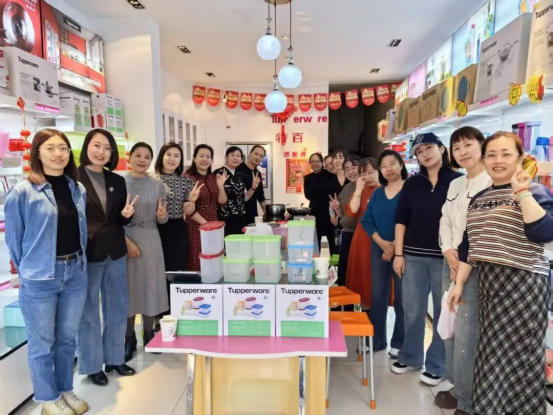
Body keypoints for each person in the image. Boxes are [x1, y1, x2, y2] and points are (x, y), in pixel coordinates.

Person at [449, 132, 553, 415]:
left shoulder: (536, 191)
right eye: (491, 154)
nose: (498, 160)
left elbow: (544, 232)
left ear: (521, 157)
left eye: (506, 154)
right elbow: (469, 245)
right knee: (491, 355)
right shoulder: (480, 198)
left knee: (521, 358)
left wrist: (522, 192)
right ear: (484, 160)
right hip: (490, 285)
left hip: (524, 284)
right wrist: (459, 284)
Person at [5, 129, 89, 415]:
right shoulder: (22, 191)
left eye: (63, 148)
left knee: (67, 338)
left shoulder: (77, 188)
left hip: (75, 272)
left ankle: (65, 389)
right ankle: (48, 398)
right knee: (42, 343)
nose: (58, 154)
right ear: (37, 153)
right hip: (40, 276)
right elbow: (14, 241)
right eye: (50, 148)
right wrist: (30, 271)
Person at [392, 132, 462, 385]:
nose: (424, 154)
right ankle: (410, 356)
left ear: (442, 149)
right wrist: (398, 254)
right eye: (419, 152)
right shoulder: (412, 183)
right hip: (412, 256)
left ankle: (437, 365)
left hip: (445, 258)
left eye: (429, 148)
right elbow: (401, 219)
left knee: (443, 311)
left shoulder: (458, 181)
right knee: (412, 309)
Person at [435, 127, 490, 414]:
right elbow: (445, 220)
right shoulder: (456, 184)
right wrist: (447, 250)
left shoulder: (493, 182)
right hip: (451, 261)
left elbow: (481, 231)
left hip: (475, 267)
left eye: (468, 145)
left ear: (482, 146)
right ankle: (457, 386)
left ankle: (467, 401)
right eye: (457, 148)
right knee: (449, 325)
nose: (463, 152)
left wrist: (461, 260)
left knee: (468, 331)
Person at [77, 129, 137, 387]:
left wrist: (126, 215)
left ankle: (114, 358)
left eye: (107, 148)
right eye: (96, 145)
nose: (101, 152)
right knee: (88, 311)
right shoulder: (74, 178)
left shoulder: (117, 180)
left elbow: (120, 217)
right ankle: (92, 365)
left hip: (115, 250)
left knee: (117, 307)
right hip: (88, 253)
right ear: (87, 147)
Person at [124, 142, 169, 361]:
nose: (142, 160)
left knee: (151, 285)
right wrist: (126, 242)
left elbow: (163, 219)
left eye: (147, 157)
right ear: (130, 157)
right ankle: (128, 337)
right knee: (129, 288)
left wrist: (162, 216)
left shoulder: (158, 185)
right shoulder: (119, 183)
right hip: (126, 237)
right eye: (138, 155)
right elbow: (113, 219)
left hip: (151, 238)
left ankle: (149, 332)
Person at [361, 150, 407, 357]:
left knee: (402, 298)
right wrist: (382, 243)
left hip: (403, 253)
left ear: (401, 165)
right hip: (378, 251)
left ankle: (399, 343)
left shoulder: (410, 190)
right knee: (378, 296)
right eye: (384, 166)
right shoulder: (378, 193)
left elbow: (413, 220)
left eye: (392, 164)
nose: (388, 169)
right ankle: (376, 340)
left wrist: (395, 248)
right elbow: (367, 220)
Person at [154, 142, 195, 299]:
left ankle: (177, 304)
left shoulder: (185, 181)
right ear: (161, 156)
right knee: (157, 268)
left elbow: (188, 210)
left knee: (177, 267)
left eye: (176, 156)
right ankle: (160, 308)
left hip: (177, 228)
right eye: (168, 154)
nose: (172, 159)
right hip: (155, 228)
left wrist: (192, 200)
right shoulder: (151, 179)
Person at [184, 144, 228, 270]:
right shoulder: (187, 178)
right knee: (198, 258)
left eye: (208, 157)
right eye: (201, 156)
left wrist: (220, 187)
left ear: (211, 160)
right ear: (194, 158)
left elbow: (222, 202)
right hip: (195, 226)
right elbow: (187, 208)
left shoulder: (213, 178)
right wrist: (205, 224)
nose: (205, 159)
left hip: (213, 224)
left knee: (213, 258)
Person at [344, 157, 379, 309]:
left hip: (380, 240)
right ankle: (363, 309)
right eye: (364, 174)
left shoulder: (385, 189)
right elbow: (352, 211)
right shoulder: (361, 191)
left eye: (371, 172)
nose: (368, 177)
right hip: (361, 240)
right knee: (361, 276)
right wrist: (358, 189)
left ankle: (375, 311)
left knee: (376, 279)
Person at [329, 155, 361, 286]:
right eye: (347, 169)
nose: (350, 171)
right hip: (347, 234)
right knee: (344, 269)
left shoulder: (368, 186)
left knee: (358, 271)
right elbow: (344, 215)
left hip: (362, 235)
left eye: (353, 167)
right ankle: (345, 297)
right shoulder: (347, 188)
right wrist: (337, 209)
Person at [213, 146, 254, 235]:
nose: (235, 158)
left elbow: (245, 198)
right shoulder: (218, 173)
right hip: (224, 219)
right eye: (232, 155)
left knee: (240, 242)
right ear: (226, 157)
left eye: (238, 156)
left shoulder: (240, 175)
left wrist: (253, 188)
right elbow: (214, 198)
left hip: (241, 218)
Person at [303, 153, 335, 250]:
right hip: (315, 211)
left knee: (332, 238)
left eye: (317, 161)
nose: (315, 164)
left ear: (322, 163)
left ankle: (333, 258)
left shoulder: (330, 176)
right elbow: (307, 195)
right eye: (313, 162)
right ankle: (316, 257)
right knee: (315, 238)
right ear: (310, 163)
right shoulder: (307, 178)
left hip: (329, 211)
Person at [237, 145, 266, 224]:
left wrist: (266, 213)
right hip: (238, 215)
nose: (257, 157)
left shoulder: (258, 173)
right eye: (256, 154)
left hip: (252, 215)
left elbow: (261, 196)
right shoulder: (238, 169)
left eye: (261, 156)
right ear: (250, 154)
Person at [329, 149, 350, 254]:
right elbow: (330, 200)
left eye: (341, 158)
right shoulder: (331, 180)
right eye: (335, 158)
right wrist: (332, 215)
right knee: (338, 246)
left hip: (351, 216)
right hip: (338, 218)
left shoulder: (351, 177)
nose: (338, 160)